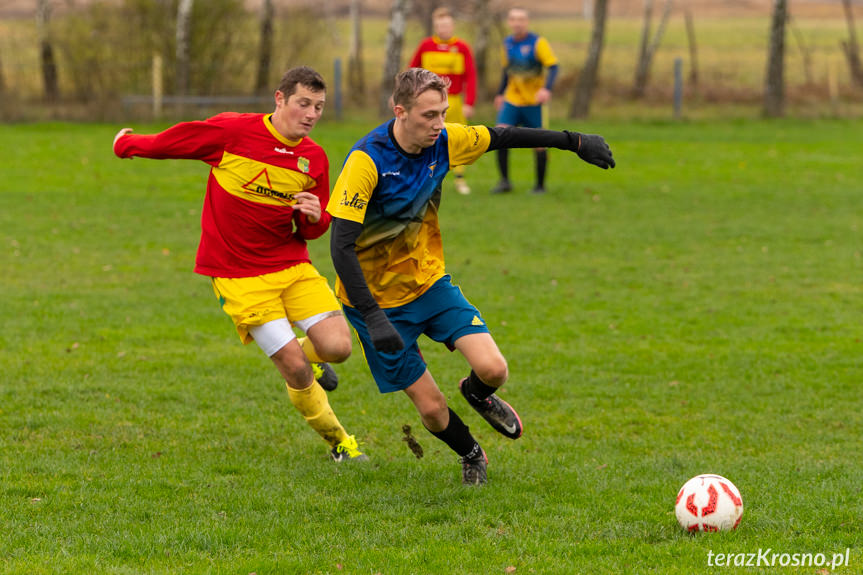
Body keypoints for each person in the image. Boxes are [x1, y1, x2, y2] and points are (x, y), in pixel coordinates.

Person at [327, 68, 614, 485]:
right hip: (375, 302)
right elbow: (340, 246)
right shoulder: (366, 161)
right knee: (431, 409)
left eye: (443, 113)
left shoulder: (445, 141)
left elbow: (503, 135)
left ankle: (477, 393)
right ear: (400, 111)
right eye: (428, 115)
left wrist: (574, 141)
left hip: (428, 282)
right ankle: (471, 453)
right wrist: (372, 316)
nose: (438, 124)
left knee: (494, 368)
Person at [112, 66, 367, 462]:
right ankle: (341, 443)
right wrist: (127, 144)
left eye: (318, 106)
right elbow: (174, 141)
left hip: (291, 266)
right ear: (279, 99)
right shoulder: (233, 133)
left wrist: (317, 216)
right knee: (296, 371)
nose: (312, 114)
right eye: (304, 103)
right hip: (238, 276)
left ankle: (307, 357)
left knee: (338, 348)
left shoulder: (313, 159)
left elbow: (310, 231)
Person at [409, 6, 477, 195]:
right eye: (440, 25)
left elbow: (471, 76)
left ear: (452, 26)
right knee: (426, 136)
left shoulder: (462, 48)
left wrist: (469, 102)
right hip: (428, 102)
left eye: (447, 25)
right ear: (435, 26)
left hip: (453, 100)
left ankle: (460, 179)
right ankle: (423, 176)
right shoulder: (426, 46)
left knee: (458, 137)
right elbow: (412, 71)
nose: (444, 29)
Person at [491, 7, 560, 195]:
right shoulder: (507, 44)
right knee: (500, 135)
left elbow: (553, 67)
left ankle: (540, 186)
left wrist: (546, 89)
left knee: (539, 142)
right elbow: (507, 71)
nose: (517, 23)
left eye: (521, 19)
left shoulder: (538, 43)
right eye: (513, 19)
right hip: (512, 99)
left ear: (526, 22)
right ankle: (504, 181)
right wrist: (500, 93)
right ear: (509, 22)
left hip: (533, 102)